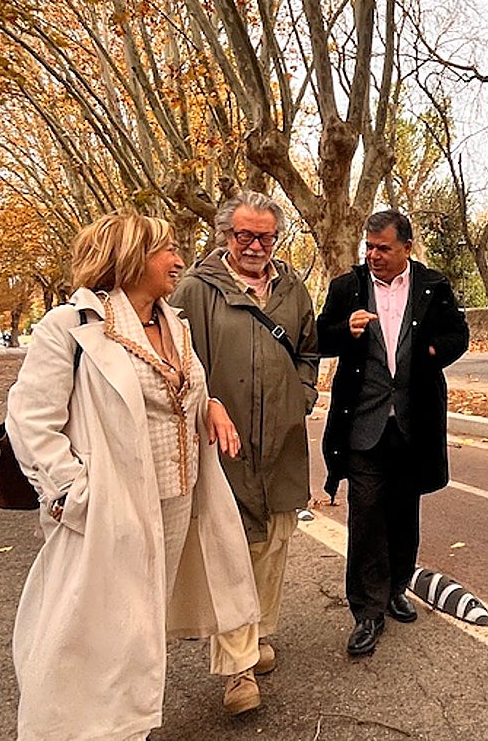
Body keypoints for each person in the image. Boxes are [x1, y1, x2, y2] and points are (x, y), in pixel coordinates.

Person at [6, 213, 259, 740]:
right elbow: (30, 421)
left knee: (143, 627)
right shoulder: (70, 328)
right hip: (111, 509)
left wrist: (210, 404)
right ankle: (83, 730)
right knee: (98, 630)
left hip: (178, 502)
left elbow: (175, 391)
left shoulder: (176, 324)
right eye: (166, 250)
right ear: (130, 258)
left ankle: (131, 724)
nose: (179, 260)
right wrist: (75, 498)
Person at [169, 191, 320, 715]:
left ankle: (256, 636)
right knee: (231, 550)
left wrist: (303, 394)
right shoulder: (193, 290)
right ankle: (236, 671)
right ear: (225, 236)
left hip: (282, 440)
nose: (256, 245)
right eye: (245, 235)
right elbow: (177, 364)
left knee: (276, 538)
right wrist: (206, 404)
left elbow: (307, 349)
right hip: (222, 445)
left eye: (266, 236)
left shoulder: (293, 288)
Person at [317, 210, 470, 658]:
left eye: (383, 247)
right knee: (365, 514)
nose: (373, 255)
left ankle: (397, 587)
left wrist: (430, 350)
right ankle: (366, 612)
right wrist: (345, 331)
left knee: (404, 512)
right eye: (369, 246)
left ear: (406, 247)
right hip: (363, 423)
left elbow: (458, 335)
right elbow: (321, 338)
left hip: (412, 422)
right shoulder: (347, 288)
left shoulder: (433, 287)